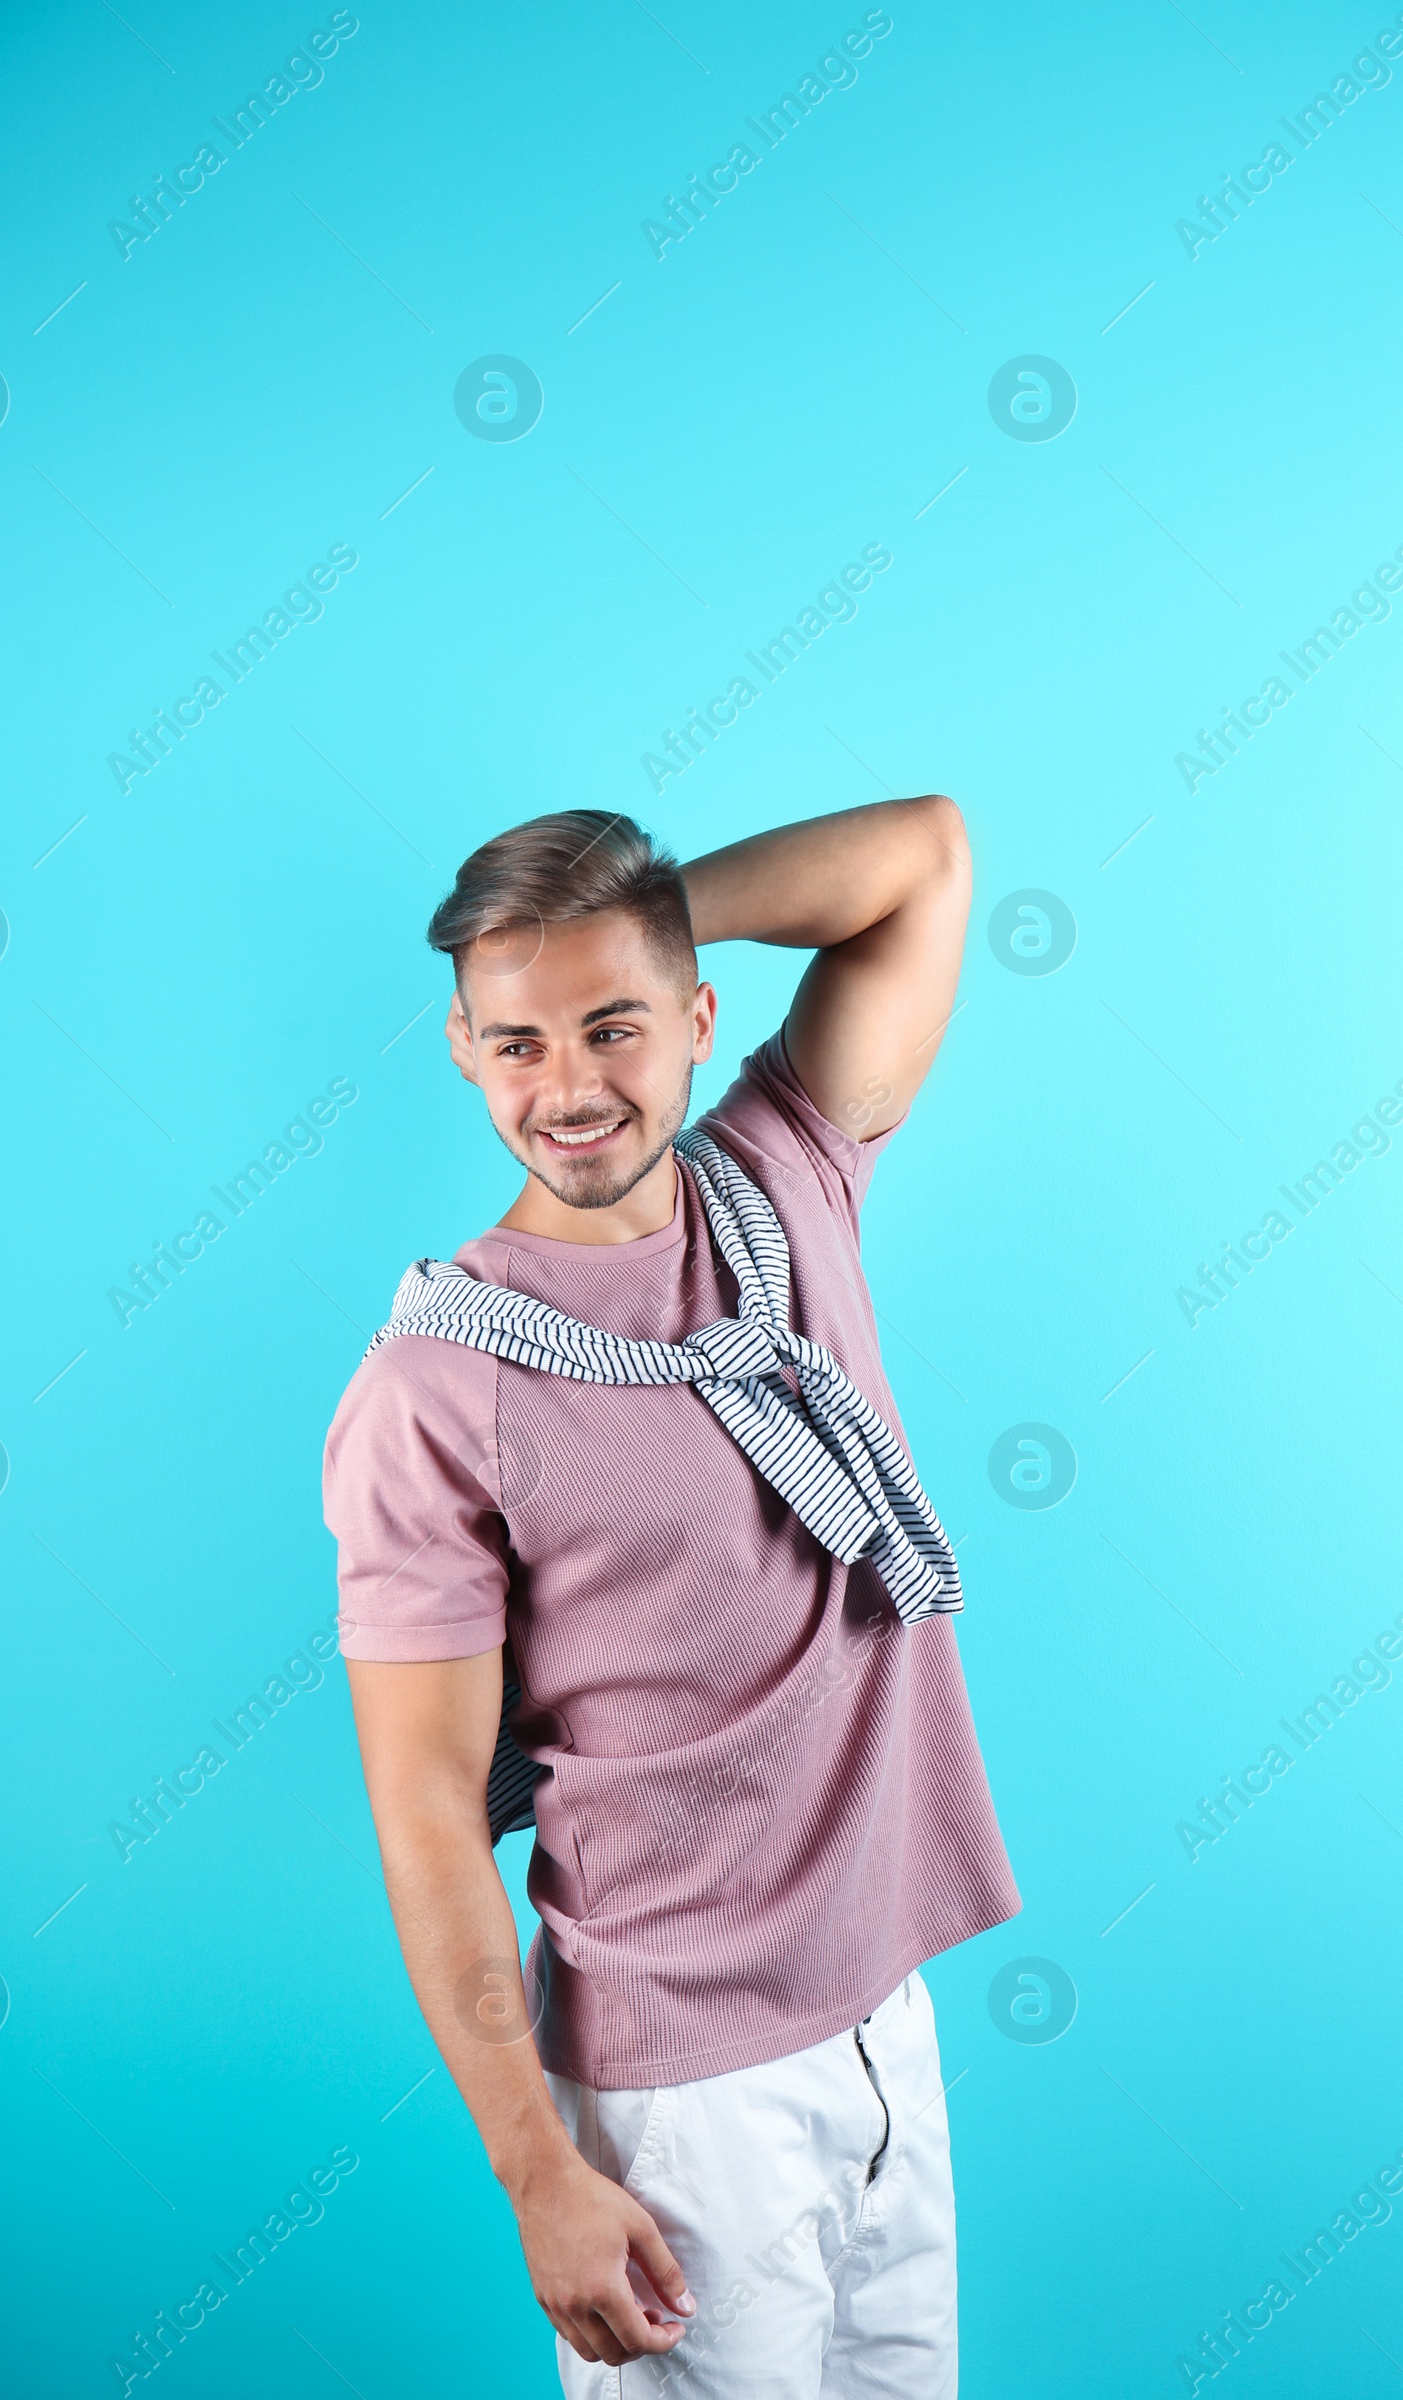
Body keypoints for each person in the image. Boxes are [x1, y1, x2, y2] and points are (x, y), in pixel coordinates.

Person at [323, 797, 1020, 2398]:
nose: (567, 1089)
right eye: (516, 1044)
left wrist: (632, 911)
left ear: (702, 1012)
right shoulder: (438, 1390)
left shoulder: (785, 1180)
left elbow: (921, 854)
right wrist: (535, 2172)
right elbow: (428, 1808)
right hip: (679, 2101)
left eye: (614, 1025)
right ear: (460, 1049)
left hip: (882, 2030)